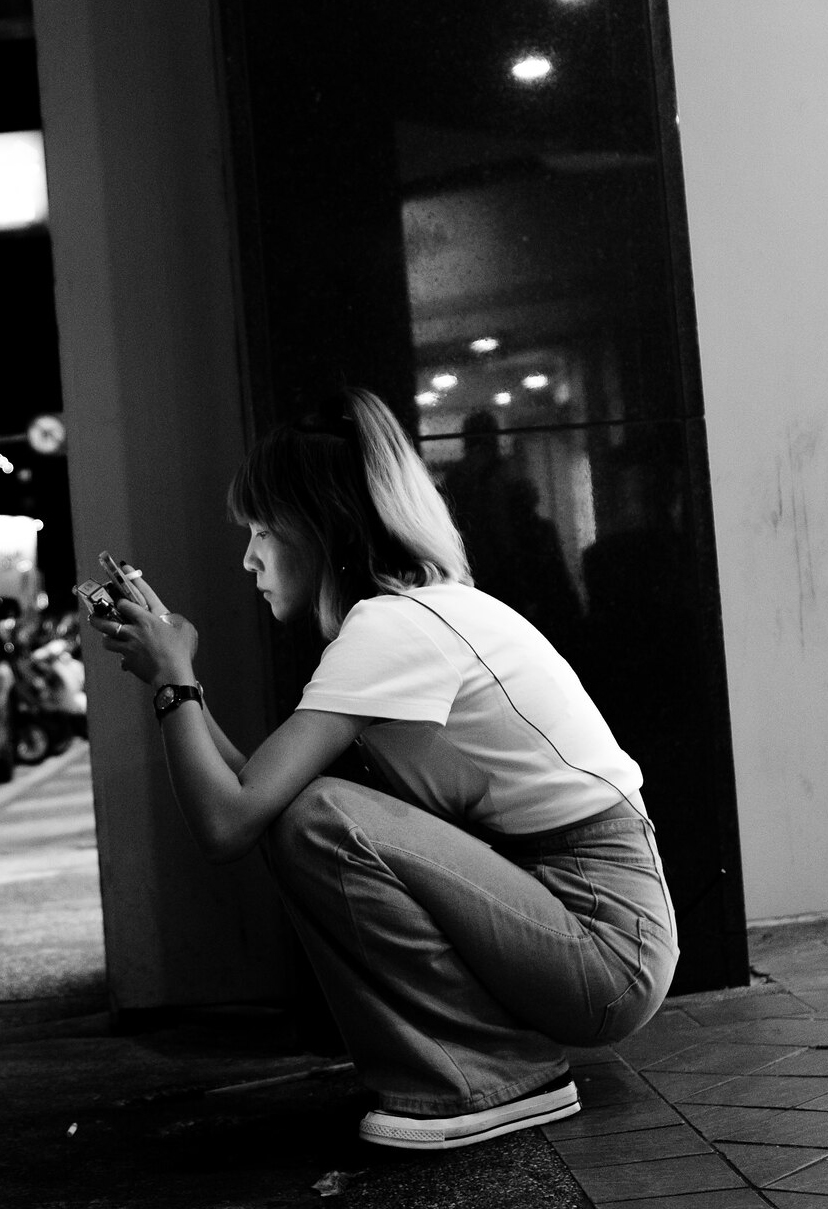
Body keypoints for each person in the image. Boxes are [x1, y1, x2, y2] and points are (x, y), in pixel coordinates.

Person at [87, 387, 677, 1151]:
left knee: (320, 817)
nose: (249, 556)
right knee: (306, 815)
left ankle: (496, 1076)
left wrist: (176, 680)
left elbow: (228, 820)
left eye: (265, 528)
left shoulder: (394, 625)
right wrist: (171, 676)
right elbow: (254, 802)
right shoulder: (408, 613)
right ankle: (483, 1067)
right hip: (585, 921)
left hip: (605, 940)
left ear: (322, 527)